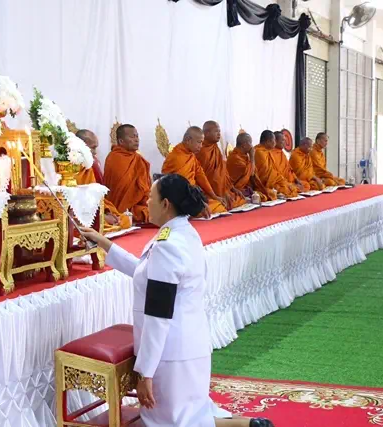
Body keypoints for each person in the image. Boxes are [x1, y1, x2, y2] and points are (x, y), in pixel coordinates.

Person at [81, 174, 274, 427]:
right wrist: (105, 244)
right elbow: (147, 273)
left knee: (171, 422)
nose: (146, 202)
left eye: (150, 197)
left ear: (165, 204)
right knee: (190, 413)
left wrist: (145, 372)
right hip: (189, 346)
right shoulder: (182, 233)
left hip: (170, 353)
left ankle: (246, 425)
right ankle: (249, 424)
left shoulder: (167, 245)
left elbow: (158, 315)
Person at [162, 126, 230, 213]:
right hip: (179, 200)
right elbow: (180, 187)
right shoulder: (176, 157)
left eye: (202, 143)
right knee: (215, 208)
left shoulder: (191, 155)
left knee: (218, 205)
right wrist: (198, 202)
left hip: (192, 196)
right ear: (188, 140)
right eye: (199, 142)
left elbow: (201, 176)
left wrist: (213, 196)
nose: (201, 146)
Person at [75, 129, 131, 229]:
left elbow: (98, 197)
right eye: (93, 148)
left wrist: (107, 212)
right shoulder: (67, 168)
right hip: (79, 214)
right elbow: (76, 202)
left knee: (123, 219)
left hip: (97, 208)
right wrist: (102, 217)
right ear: (81, 146)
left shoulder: (90, 166)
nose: (95, 152)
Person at [104, 124, 152, 224]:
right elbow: (120, 188)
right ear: (121, 141)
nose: (136, 140)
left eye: (137, 136)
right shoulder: (114, 158)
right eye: (132, 137)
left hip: (138, 207)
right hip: (118, 208)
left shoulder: (139, 159)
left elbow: (146, 188)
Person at [196, 121, 246, 209]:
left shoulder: (216, 148)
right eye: (216, 131)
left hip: (222, 190)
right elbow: (204, 178)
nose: (219, 134)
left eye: (219, 131)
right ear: (207, 133)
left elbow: (223, 173)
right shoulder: (202, 151)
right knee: (218, 206)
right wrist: (218, 194)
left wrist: (231, 188)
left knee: (239, 199)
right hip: (209, 192)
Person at [226, 132, 275, 201]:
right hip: (234, 189)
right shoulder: (235, 158)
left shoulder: (244, 157)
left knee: (267, 195)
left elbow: (252, 174)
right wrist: (252, 156)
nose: (252, 146)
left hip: (245, 188)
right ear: (244, 145)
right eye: (250, 143)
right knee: (261, 197)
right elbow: (251, 173)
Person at [254, 130, 299, 198]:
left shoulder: (268, 152)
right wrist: (281, 179)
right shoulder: (260, 152)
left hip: (275, 179)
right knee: (286, 190)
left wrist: (287, 180)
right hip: (265, 183)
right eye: (274, 141)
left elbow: (288, 168)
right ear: (268, 141)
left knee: (291, 188)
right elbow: (265, 173)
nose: (275, 143)